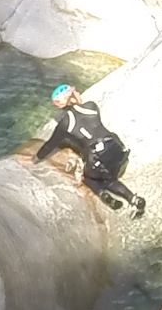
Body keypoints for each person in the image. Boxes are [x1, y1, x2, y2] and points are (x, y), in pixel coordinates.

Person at [35, 84, 145, 215]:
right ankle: (135, 200)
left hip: (98, 157)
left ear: (60, 105)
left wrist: (35, 159)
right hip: (115, 148)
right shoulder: (91, 107)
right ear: (74, 94)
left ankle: (105, 194)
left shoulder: (64, 124)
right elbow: (92, 129)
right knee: (109, 172)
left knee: (93, 179)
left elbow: (50, 145)